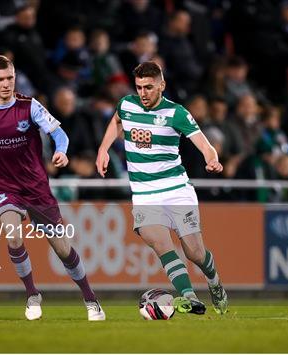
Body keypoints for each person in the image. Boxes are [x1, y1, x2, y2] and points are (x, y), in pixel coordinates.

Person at [0, 55, 105, 321]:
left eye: (9, 78)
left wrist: (61, 151)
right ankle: (32, 294)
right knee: (12, 235)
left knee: (62, 248)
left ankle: (91, 299)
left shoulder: (30, 106)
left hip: (36, 187)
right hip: (3, 187)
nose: (5, 84)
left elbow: (60, 133)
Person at [96, 61, 228, 315]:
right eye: (139, 87)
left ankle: (214, 281)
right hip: (145, 194)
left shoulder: (176, 113)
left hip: (177, 189)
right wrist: (103, 149)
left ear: (162, 85)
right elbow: (116, 121)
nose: (143, 93)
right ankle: (189, 296)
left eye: (148, 87)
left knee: (195, 252)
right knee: (160, 244)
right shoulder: (127, 104)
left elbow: (203, 142)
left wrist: (212, 158)